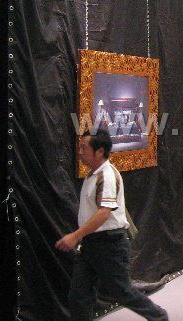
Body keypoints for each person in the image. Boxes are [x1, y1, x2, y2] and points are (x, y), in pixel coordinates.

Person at [56, 129, 168, 321]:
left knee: (122, 291)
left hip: (109, 245)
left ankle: (159, 317)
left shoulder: (106, 176)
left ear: (100, 151)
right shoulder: (92, 174)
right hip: (91, 244)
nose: (80, 152)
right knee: (79, 295)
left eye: (84, 148)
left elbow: (104, 213)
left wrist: (75, 236)